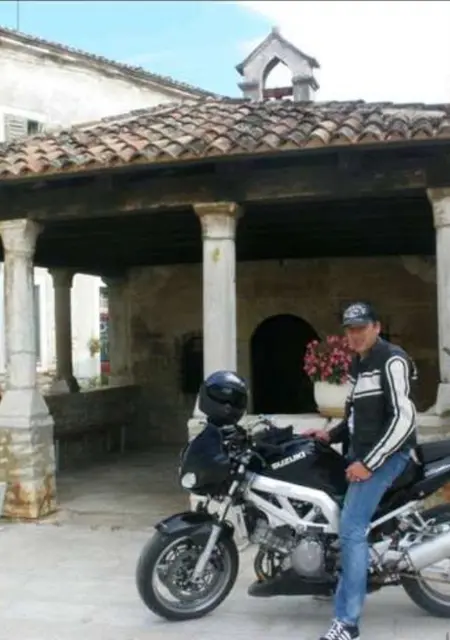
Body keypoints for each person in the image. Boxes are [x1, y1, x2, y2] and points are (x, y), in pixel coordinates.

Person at [305, 302, 418, 640]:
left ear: (376, 327)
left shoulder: (392, 360)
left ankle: (347, 622)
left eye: (361, 328)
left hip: (389, 457)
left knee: (352, 529)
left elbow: (404, 419)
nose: (354, 335)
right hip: (363, 455)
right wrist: (330, 435)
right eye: (350, 329)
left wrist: (369, 464)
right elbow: (358, 419)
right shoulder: (358, 363)